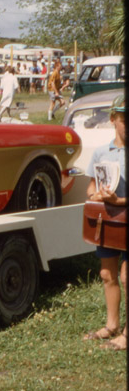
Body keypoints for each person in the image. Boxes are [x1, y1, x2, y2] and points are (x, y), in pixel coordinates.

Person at [83, 95, 126, 350]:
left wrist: (120, 201)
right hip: (108, 222)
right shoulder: (101, 152)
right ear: (113, 119)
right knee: (107, 273)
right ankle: (112, 325)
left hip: (123, 213)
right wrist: (96, 195)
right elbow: (90, 187)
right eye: (123, 119)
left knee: (127, 275)